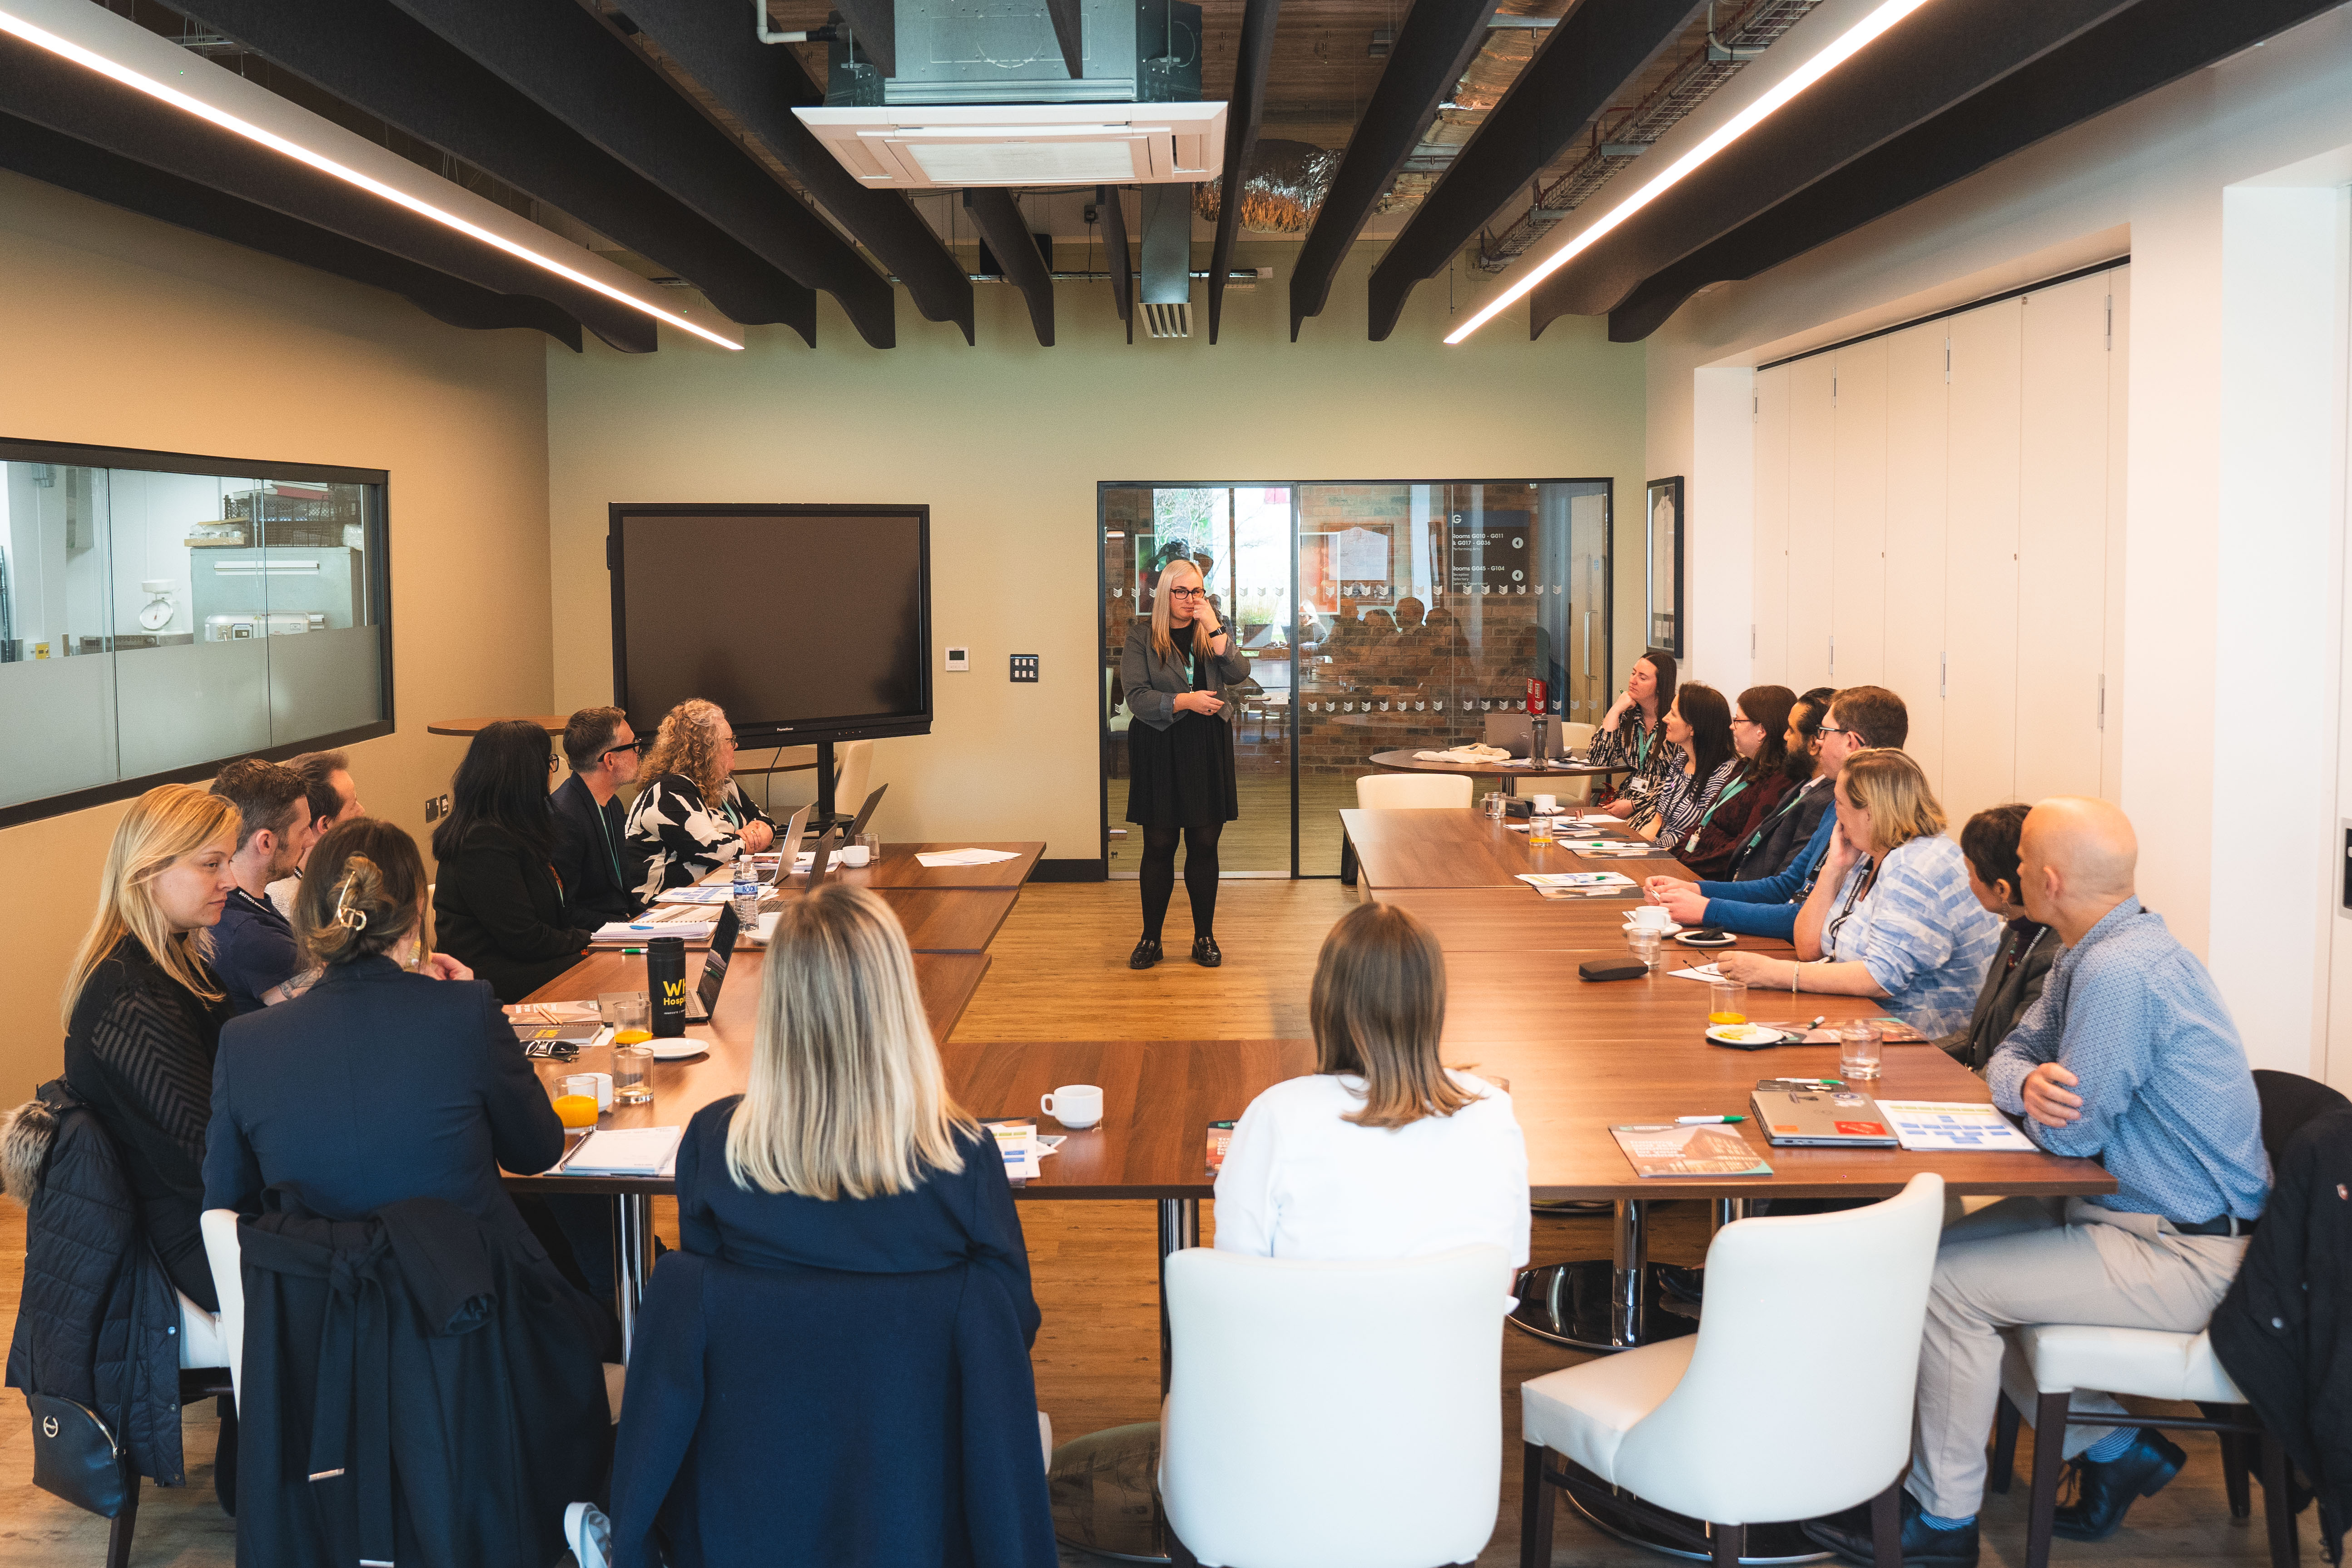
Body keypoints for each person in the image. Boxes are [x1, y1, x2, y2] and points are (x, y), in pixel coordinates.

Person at [1803, 798, 2271, 1568]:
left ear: (2046, 879)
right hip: (2120, 1214)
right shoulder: (2095, 945)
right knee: (1923, 1263)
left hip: (2181, 1251)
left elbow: (2068, 1133)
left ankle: (1941, 1521)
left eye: (2019, 861)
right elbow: (2012, 1052)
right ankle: (2116, 1446)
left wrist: (2022, 1091)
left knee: (1946, 1288)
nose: (2010, 870)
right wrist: (2022, 1083)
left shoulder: (2118, 972)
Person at [203, 819, 610, 1568]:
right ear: (413, 915)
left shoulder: (248, 1044)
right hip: (475, 1314)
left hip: (320, 1328)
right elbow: (538, 1149)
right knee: (587, 1332)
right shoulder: (462, 1011)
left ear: (310, 916)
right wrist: (476, 1019)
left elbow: (226, 1202)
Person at [673, 882, 1038, 1345]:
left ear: (778, 1005)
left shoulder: (715, 1142)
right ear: (900, 1000)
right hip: (920, 1412)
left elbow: (710, 1311)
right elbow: (1012, 1323)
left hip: (761, 1410)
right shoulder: (958, 1155)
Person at [1214, 902, 1529, 1300]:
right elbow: (1507, 1272)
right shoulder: (1492, 1110)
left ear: (1325, 997)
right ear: (1434, 999)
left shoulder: (1275, 1115)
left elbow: (1236, 1279)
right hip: (1451, 1360)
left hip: (1304, 1357)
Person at [58, 783, 241, 1310]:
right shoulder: (132, 998)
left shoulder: (176, 962)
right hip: (192, 1238)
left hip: (207, 1214)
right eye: (211, 863)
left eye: (227, 861)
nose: (229, 879)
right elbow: (202, 1160)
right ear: (148, 871)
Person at [1715, 749, 1998, 1037]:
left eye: (1839, 803)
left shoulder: (1915, 867)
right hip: (1861, 1023)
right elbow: (1808, 948)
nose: (1835, 812)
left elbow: (1881, 978)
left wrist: (1774, 974)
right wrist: (1833, 869)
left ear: (1870, 812)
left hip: (1918, 1047)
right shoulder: (1871, 852)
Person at [1642, 685, 1905, 942]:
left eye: (1824, 732)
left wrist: (1707, 909)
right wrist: (1695, 889)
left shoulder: (1886, 837)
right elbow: (1786, 886)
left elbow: (1810, 918)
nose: (1818, 742)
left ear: (1850, 743)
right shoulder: (1835, 808)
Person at [1121, 555, 1250, 970]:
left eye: (1197, 591)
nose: (1190, 599)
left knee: (1204, 844)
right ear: (1164, 594)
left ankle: (1204, 937)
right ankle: (1151, 939)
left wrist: (1213, 624)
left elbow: (1239, 673)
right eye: (1182, 591)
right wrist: (1183, 701)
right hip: (1160, 744)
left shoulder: (1211, 628)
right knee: (1159, 844)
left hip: (1206, 744)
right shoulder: (1141, 637)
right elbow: (1136, 697)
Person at [432, 719, 597, 1004]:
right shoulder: (482, 841)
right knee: (607, 973)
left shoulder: (516, 828)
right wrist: (590, 940)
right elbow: (525, 939)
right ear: (525, 774)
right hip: (490, 979)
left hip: (522, 963)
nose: (551, 771)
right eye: (549, 761)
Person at [625, 698, 777, 902]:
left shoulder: (723, 783)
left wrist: (754, 836)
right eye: (730, 740)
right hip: (664, 905)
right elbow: (713, 850)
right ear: (707, 748)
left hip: (714, 891)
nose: (736, 745)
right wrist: (752, 840)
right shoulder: (668, 790)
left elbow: (765, 821)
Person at [1943, 803, 2054, 1072]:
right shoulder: (2017, 930)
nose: (1968, 883)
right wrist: (1913, 1053)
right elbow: (1981, 1037)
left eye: (1970, 873)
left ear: (2002, 889)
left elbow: (2017, 1056)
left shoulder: (2053, 957)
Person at [206, 758, 316, 1013]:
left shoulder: (228, 907)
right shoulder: (251, 937)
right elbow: (330, 1018)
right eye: (302, 830)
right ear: (266, 842)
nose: (310, 840)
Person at [1675, 685, 1796, 879]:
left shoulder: (1780, 781)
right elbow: (1705, 820)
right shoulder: (1745, 765)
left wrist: (1684, 866)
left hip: (1716, 877)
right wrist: (1673, 857)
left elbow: (1742, 849)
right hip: (1693, 862)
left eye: (1738, 720)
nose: (1732, 726)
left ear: (1762, 730)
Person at [1721, 686, 1837, 882]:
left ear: (1813, 743)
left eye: (1791, 730)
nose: (1785, 736)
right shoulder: (1804, 785)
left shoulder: (1823, 802)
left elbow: (1783, 888)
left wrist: (1707, 898)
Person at [551, 705, 647, 929]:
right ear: (610, 761)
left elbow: (621, 893)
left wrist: (653, 919)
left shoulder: (612, 802)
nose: (638, 753)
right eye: (634, 746)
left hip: (617, 926)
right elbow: (567, 910)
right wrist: (626, 926)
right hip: (592, 939)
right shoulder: (563, 817)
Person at [1636, 682, 1739, 852]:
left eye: (1673, 714)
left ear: (1693, 728)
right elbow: (1657, 821)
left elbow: (1703, 842)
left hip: (1683, 861)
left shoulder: (1722, 776)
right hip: (1658, 852)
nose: (1664, 718)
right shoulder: (1681, 759)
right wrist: (1633, 850)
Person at [267, 749, 363, 917]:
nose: (361, 811)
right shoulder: (289, 904)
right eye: (353, 805)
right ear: (325, 824)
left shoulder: (336, 869)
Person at [1590, 651, 1680, 829]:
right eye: (1633, 673)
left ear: (1660, 686)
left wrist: (1634, 805)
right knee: (1591, 828)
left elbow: (1680, 781)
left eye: (1643, 677)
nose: (1633, 680)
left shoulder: (1676, 720)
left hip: (1661, 801)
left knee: (1619, 834)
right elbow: (1599, 760)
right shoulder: (1629, 715)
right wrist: (1615, 710)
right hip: (1627, 795)